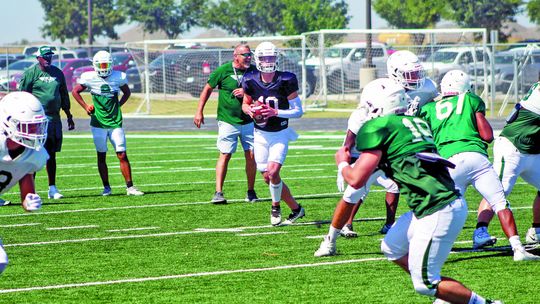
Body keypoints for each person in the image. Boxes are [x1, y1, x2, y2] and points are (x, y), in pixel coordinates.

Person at [336, 78, 502, 304]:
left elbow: (356, 180)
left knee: (425, 284)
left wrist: (342, 163)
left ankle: (485, 303)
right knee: (391, 246)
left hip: (437, 208)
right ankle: (446, 294)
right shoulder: (416, 123)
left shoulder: (380, 127)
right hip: (435, 204)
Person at [419, 70, 539, 261]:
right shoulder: (470, 99)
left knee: (444, 207)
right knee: (500, 202)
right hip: (475, 157)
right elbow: (487, 136)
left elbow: (423, 141)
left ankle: (430, 249)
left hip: (448, 161)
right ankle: (518, 249)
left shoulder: (428, 109)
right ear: (466, 87)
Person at [314, 100, 400, 257]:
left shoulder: (401, 119)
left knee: (392, 187)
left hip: (394, 158)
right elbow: (349, 147)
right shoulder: (361, 117)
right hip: (368, 158)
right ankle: (334, 236)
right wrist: (344, 166)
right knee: (354, 193)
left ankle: (390, 225)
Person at [241, 41, 304, 226]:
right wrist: (250, 111)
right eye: (264, 58)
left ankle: (275, 206)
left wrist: (275, 112)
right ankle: (296, 209)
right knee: (268, 177)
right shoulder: (250, 79)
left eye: (271, 57)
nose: (268, 61)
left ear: (277, 58)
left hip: (280, 133)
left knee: (274, 171)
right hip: (259, 134)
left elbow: (298, 111)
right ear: (257, 59)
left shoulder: (286, 79)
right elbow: (245, 103)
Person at [474, 80, 540, 246]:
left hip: (532, 150)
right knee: (498, 191)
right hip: (512, 148)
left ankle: (536, 231)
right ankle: (480, 231)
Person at [71, 50, 144, 196]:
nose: (104, 67)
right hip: (98, 123)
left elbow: (127, 93)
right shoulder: (89, 77)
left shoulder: (118, 77)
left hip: (115, 121)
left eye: (106, 64)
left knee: (122, 153)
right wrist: (86, 107)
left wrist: (118, 105)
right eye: (101, 64)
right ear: (95, 65)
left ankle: (130, 187)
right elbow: (75, 91)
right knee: (101, 155)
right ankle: (106, 187)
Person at [194, 44, 258, 204]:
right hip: (228, 120)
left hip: (249, 120)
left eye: (250, 54)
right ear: (235, 56)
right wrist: (199, 111)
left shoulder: (254, 71)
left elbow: (262, 91)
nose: (249, 57)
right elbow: (207, 89)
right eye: (245, 55)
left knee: (251, 155)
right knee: (225, 154)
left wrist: (246, 92)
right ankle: (218, 192)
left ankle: (251, 191)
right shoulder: (223, 70)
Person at [0, 92, 50, 275]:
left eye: (37, 126)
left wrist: (29, 202)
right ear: (8, 123)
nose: (35, 132)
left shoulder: (34, 156)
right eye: (29, 127)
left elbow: (25, 190)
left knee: (0, 261)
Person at [19, 45, 75, 200]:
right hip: (36, 120)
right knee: (34, 155)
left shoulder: (58, 73)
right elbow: (21, 95)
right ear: (38, 58)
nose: (48, 58)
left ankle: (52, 188)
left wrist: (69, 115)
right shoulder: (31, 73)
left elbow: (64, 94)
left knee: (51, 154)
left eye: (50, 56)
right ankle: (31, 191)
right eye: (45, 56)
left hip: (54, 119)